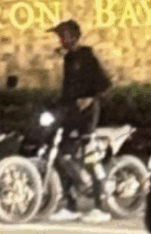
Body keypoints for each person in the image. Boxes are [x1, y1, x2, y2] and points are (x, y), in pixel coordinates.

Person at [48, 20, 113, 223]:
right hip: (70, 115)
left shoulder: (86, 56)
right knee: (64, 157)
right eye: (60, 36)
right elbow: (67, 89)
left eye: (64, 35)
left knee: (91, 159)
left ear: (75, 36)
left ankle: (100, 206)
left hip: (86, 116)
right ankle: (70, 205)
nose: (61, 39)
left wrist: (90, 97)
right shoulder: (69, 59)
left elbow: (105, 83)